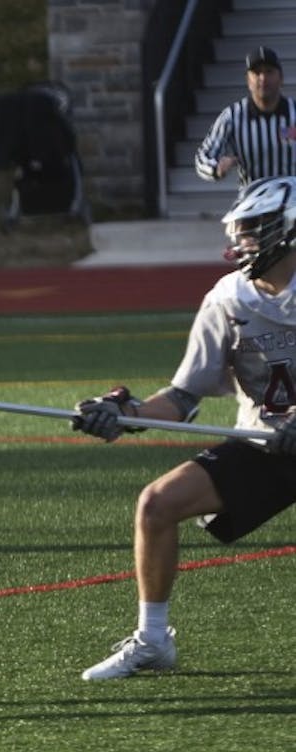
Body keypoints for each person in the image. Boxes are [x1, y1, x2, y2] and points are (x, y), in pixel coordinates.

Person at [71, 175, 296, 679]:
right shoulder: (228, 299)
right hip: (265, 444)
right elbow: (183, 398)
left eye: (255, 229)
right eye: (241, 231)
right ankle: (153, 641)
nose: (243, 241)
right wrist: (123, 413)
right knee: (157, 503)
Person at [194, 47, 296, 188]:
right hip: (252, 198)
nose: (263, 78)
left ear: (281, 78)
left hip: (292, 198)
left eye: (269, 71)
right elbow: (203, 156)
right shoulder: (233, 116)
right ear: (248, 81)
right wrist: (216, 168)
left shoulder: (293, 112)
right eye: (257, 73)